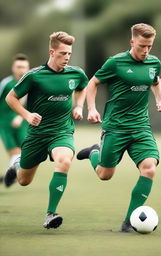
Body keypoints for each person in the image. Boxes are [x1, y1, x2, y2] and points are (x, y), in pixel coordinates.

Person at [76, 23, 161, 232]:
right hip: (116, 127)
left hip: (140, 127)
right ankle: (94, 152)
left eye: (150, 46)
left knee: (149, 168)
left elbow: (155, 82)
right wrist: (91, 109)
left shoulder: (154, 63)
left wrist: (160, 100)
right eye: (142, 46)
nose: (146, 51)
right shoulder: (115, 63)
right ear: (132, 42)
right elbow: (93, 83)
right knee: (105, 174)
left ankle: (129, 222)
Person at [3, 31, 88, 229]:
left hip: (62, 132)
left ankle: (50, 214)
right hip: (37, 135)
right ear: (51, 51)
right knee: (24, 180)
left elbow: (83, 87)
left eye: (69, 53)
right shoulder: (34, 76)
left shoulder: (76, 73)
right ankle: (17, 165)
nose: (67, 57)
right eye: (63, 53)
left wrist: (78, 106)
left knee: (65, 160)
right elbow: (10, 98)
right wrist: (26, 115)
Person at [0, 54, 29, 186]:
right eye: (18, 66)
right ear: (13, 68)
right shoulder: (6, 83)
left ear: (27, 68)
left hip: (22, 124)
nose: (21, 69)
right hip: (4, 124)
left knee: (24, 153)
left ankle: (8, 175)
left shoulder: (30, 83)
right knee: (15, 152)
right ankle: (9, 177)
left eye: (23, 67)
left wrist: (20, 116)